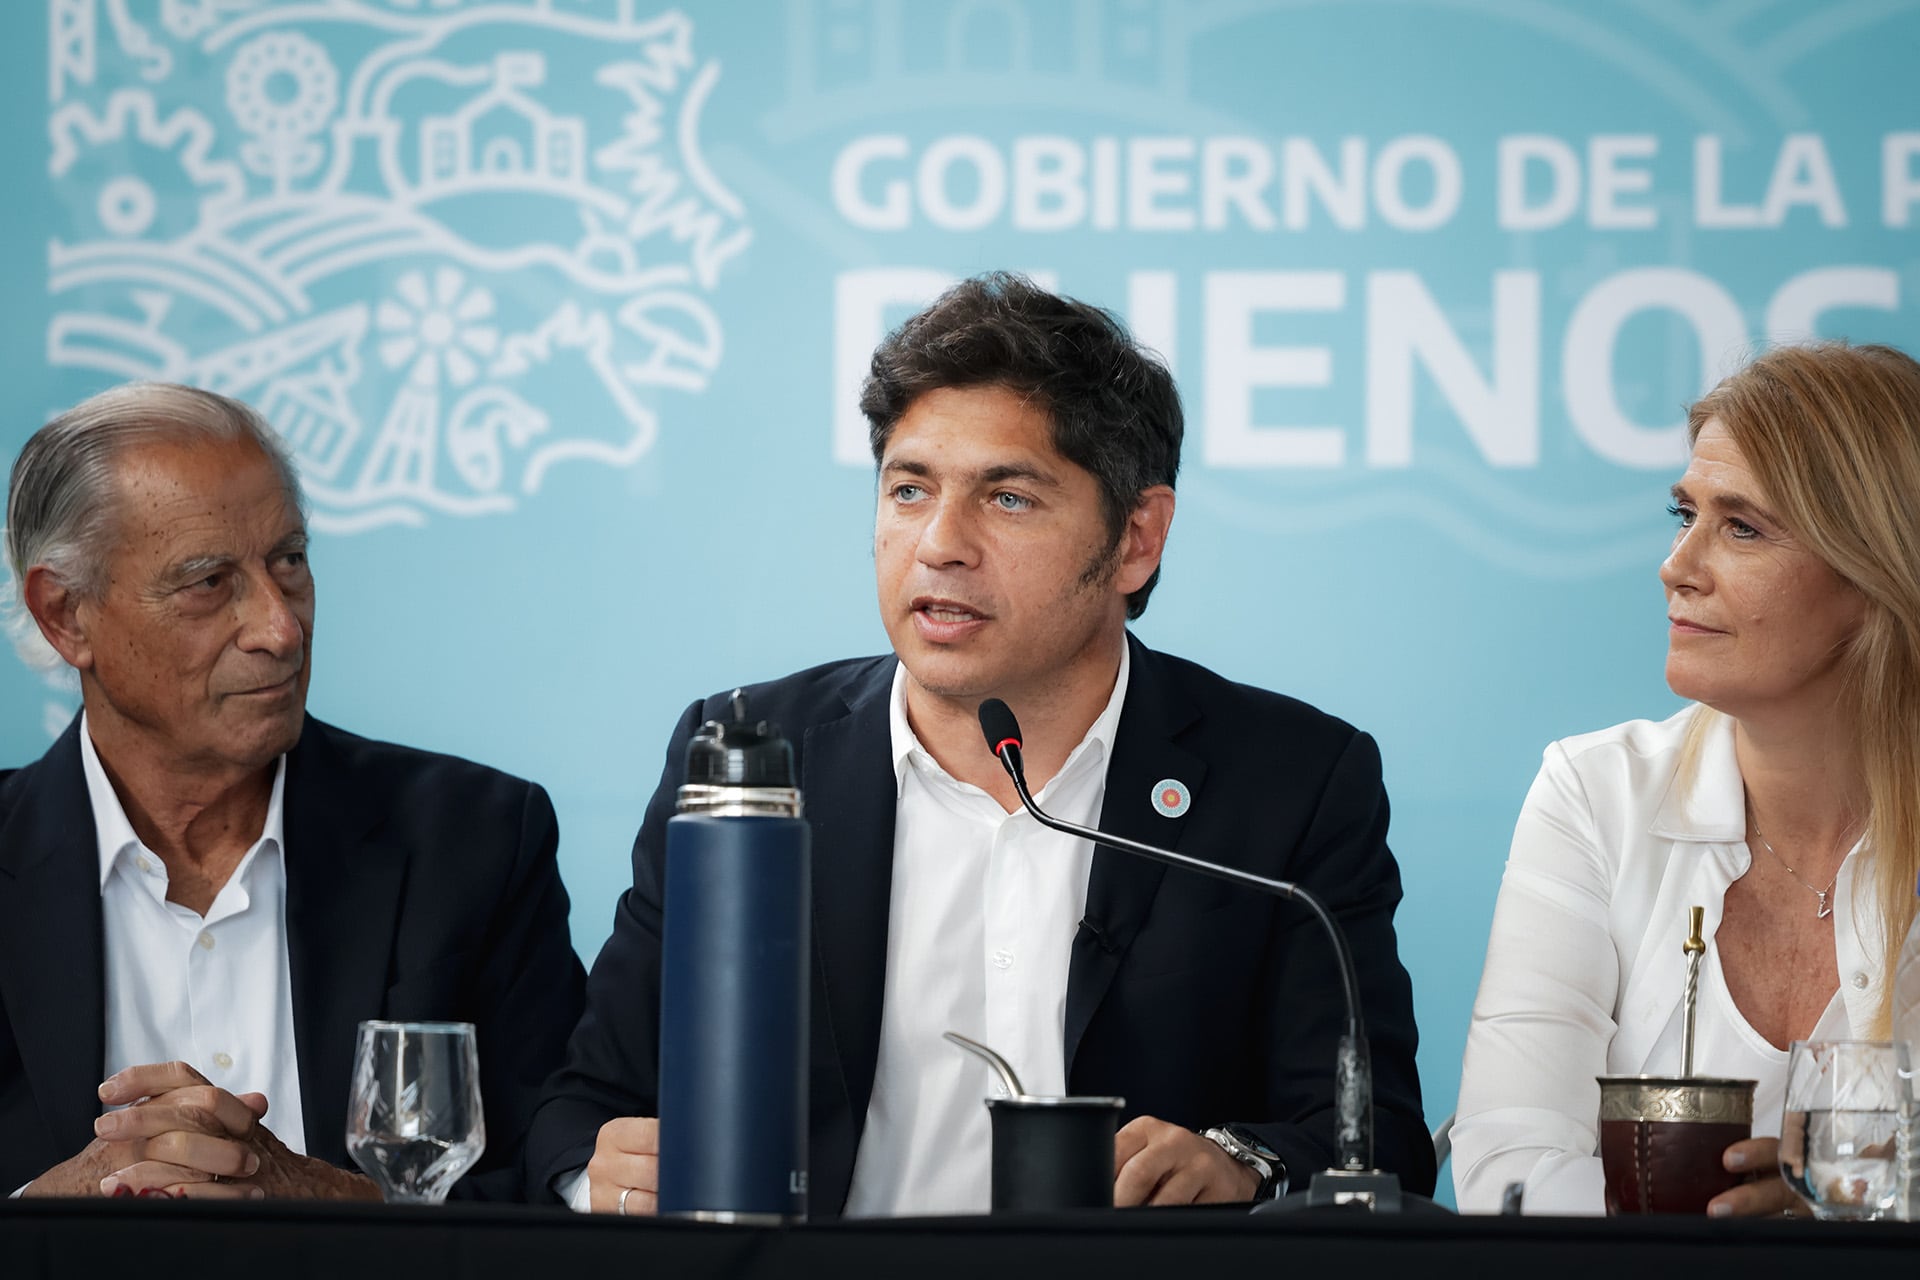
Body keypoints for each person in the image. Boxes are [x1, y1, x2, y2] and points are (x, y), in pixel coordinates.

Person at [526, 272, 1433, 1216]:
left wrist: (1241, 1163)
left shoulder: (1288, 781)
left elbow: (1375, 1142)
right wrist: (597, 1176)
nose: (939, 544)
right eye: (909, 489)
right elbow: (581, 1105)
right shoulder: (750, 757)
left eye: (1007, 498)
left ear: (1136, 538)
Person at [0, 383, 586, 1200]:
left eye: (289, 562)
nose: (279, 627)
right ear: (65, 616)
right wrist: (41, 1218)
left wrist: (336, 1207)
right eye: (208, 583)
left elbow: (554, 1191)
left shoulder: (474, 839)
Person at [1452, 341, 1920, 1215]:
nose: (1678, 567)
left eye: (1741, 527)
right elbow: (1507, 1166)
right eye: (1685, 515)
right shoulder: (1596, 793)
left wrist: (1847, 1206)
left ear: (1877, 570)